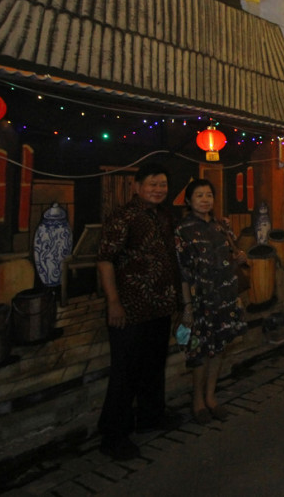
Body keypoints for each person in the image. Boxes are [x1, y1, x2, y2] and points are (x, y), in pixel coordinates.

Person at [96, 162, 182, 460]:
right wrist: (113, 302)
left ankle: (150, 417)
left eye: (162, 185)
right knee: (125, 372)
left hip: (159, 306)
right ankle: (113, 435)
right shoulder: (123, 217)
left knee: (153, 366)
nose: (158, 189)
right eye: (152, 184)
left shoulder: (163, 216)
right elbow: (106, 260)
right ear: (137, 186)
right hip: (130, 308)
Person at [174, 179, 248, 425]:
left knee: (220, 348)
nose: (205, 200)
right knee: (200, 352)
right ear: (188, 200)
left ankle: (211, 397)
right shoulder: (182, 230)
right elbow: (183, 273)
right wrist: (187, 308)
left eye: (209, 195)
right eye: (199, 195)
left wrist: (239, 258)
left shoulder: (221, 226)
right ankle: (197, 401)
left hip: (225, 297)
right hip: (200, 300)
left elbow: (231, 259)